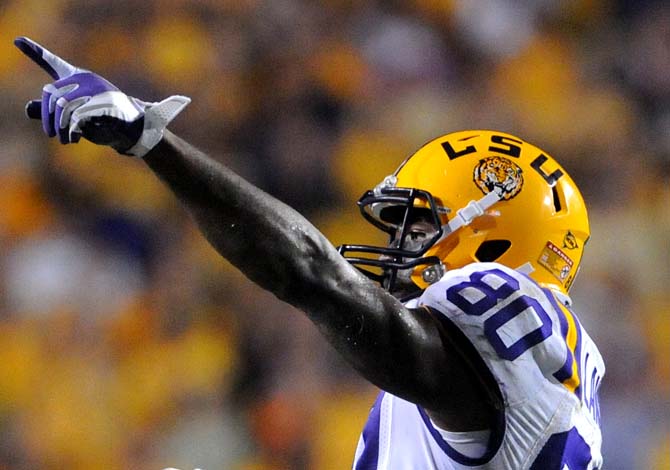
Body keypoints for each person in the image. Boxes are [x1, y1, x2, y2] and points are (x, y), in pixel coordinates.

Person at [15, 36, 605, 469]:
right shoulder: (501, 380)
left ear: (496, 234)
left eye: (422, 226)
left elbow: (312, 274)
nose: (400, 246)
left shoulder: (510, 308)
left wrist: (152, 142)